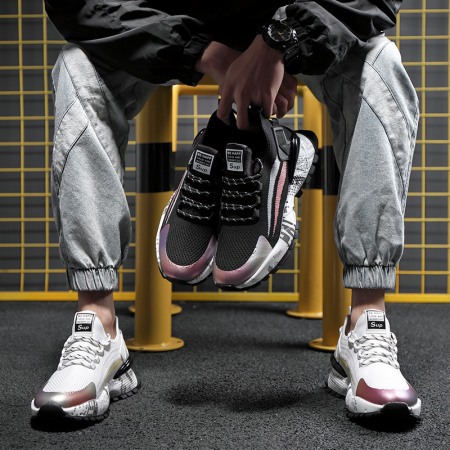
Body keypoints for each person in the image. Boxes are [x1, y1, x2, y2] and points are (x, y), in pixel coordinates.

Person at [31, 0, 421, 421]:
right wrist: (200, 51)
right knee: (78, 67)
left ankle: (366, 319)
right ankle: (97, 323)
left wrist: (282, 41)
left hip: (296, 25)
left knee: (380, 65)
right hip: (172, 26)